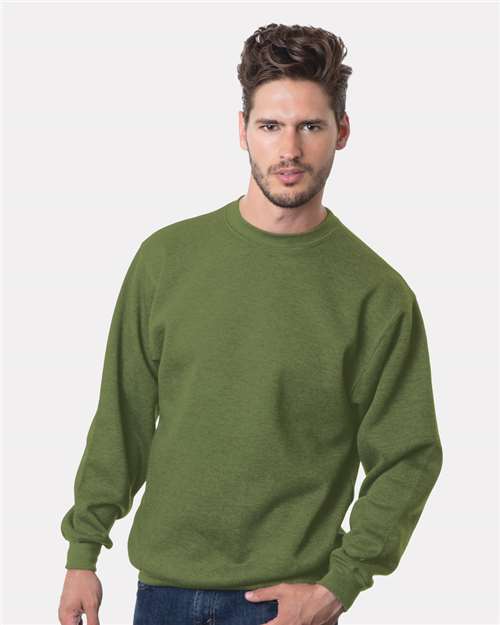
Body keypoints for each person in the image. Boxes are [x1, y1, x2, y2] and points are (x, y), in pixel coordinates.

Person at [58, 22, 443, 625]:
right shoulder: (166, 259)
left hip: (288, 603)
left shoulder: (377, 295)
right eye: (270, 126)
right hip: (162, 593)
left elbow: (409, 456)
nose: (289, 150)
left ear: (341, 132)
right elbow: (122, 417)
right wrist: (83, 551)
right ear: (242, 130)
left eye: (309, 126)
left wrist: (340, 584)